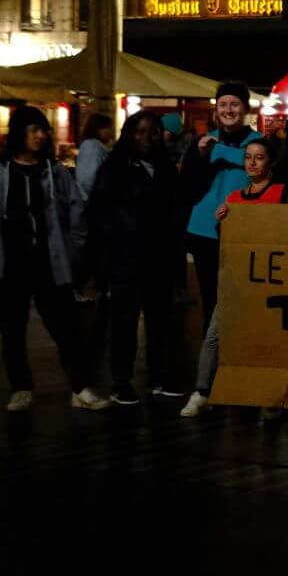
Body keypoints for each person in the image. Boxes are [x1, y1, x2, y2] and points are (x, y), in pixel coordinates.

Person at [0, 107, 109, 412]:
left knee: (66, 327)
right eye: (33, 129)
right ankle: (21, 388)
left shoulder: (55, 172)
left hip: (49, 263)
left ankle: (80, 387)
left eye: (43, 130)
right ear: (19, 133)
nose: (40, 135)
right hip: (8, 263)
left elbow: (77, 210)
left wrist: (73, 247)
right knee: (12, 329)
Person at [184, 139, 288, 419]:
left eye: (259, 158)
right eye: (248, 157)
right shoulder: (233, 199)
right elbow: (229, 242)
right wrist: (222, 221)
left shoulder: (281, 193)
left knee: (268, 337)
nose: (252, 163)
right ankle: (203, 390)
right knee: (214, 336)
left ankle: (268, 395)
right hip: (239, 278)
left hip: (270, 281)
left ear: (270, 163)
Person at [86, 109, 187, 405]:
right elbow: (99, 212)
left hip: (159, 259)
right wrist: (111, 250)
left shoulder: (165, 167)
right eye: (140, 131)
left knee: (160, 322)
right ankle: (121, 382)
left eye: (153, 131)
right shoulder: (115, 167)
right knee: (124, 324)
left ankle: (157, 377)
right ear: (129, 134)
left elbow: (174, 209)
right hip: (126, 259)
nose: (147, 137)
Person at [181, 82, 261, 327]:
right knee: (210, 299)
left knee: (240, 299)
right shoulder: (204, 141)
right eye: (223, 104)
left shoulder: (258, 141)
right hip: (203, 229)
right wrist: (201, 157)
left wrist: (222, 152)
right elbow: (186, 181)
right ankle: (212, 358)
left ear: (245, 108)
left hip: (242, 231)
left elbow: (260, 165)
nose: (228, 110)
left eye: (235, 104)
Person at [75, 113, 114, 199]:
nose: (110, 132)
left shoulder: (93, 146)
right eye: (107, 128)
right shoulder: (92, 147)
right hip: (91, 200)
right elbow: (88, 179)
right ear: (98, 129)